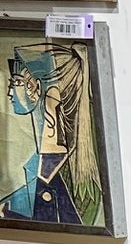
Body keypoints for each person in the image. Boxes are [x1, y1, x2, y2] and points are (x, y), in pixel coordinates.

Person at [3, 41, 98, 226]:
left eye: (17, 82)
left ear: (38, 89)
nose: (10, 92)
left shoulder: (56, 171)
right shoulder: (40, 163)